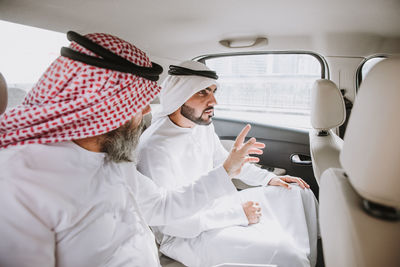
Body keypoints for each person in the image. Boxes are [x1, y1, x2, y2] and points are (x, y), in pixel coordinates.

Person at [0, 32, 264, 267]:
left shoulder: (113, 158)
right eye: (138, 102)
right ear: (101, 106)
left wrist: (227, 170)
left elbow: (162, 205)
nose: (148, 110)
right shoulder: (19, 183)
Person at [137, 61, 320, 267]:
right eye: (203, 92)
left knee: (296, 192)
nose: (214, 101)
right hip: (187, 235)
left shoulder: (201, 125)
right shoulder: (154, 148)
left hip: (219, 205)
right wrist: (238, 214)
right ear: (179, 95)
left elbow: (225, 162)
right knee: (288, 255)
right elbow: (172, 223)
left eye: (213, 91)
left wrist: (268, 178)